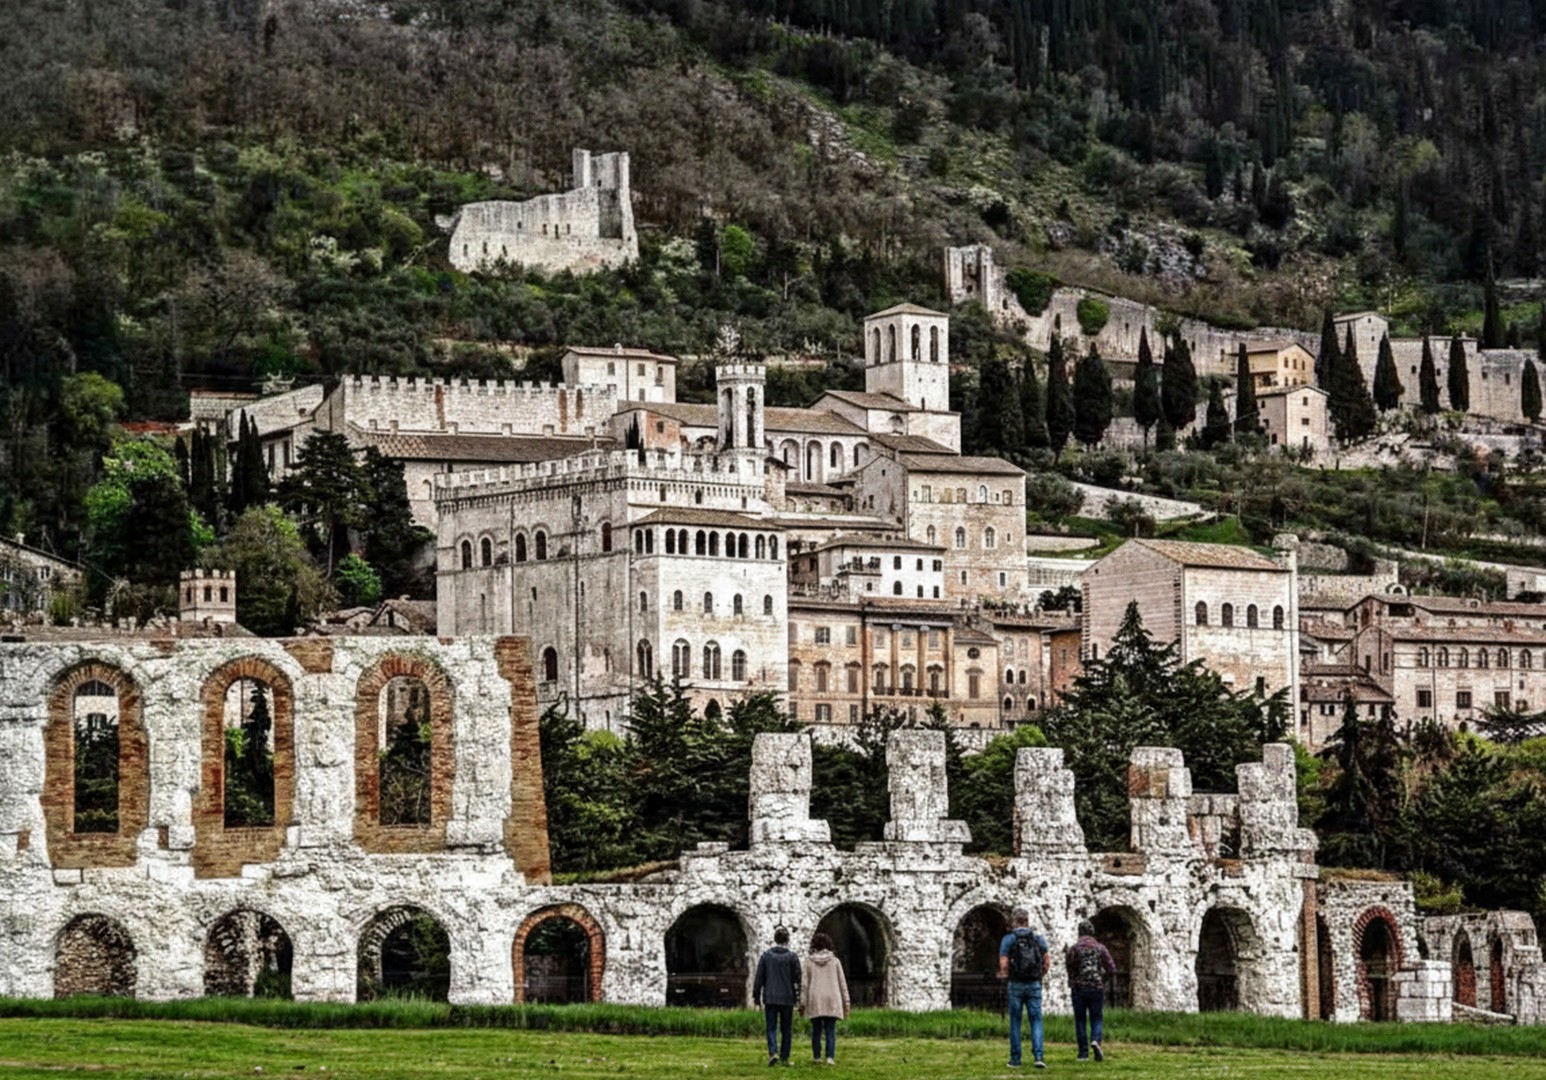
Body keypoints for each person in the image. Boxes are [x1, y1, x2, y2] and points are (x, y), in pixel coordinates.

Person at [997, 906, 1050, 1069]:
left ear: (1014, 921)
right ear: (1027, 921)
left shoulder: (1008, 939)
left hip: (1015, 984)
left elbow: (1003, 963)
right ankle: (1038, 1057)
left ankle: (1015, 1059)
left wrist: (1004, 974)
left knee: (1015, 1021)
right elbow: (1047, 962)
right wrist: (1039, 976)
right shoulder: (1038, 939)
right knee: (1036, 1020)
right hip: (1034, 984)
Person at [1065, 919, 1117, 1062]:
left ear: (1079, 933)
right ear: (1092, 932)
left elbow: (1069, 967)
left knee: (1080, 1020)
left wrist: (1073, 981)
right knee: (1096, 1017)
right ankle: (1096, 1040)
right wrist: (1102, 980)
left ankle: (1083, 1054)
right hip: (1096, 988)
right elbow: (1111, 968)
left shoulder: (1074, 949)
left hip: (1078, 989)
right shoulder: (1100, 948)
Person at [753, 926, 801, 1066]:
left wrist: (756, 997)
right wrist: (798, 997)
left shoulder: (766, 956)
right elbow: (798, 978)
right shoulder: (792, 957)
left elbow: (759, 977)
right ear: (787, 940)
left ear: (775, 939)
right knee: (786, 1029)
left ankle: (773, 1052)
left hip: (771, 996)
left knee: (771, 1027)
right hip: (787, 997)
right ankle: (785, 1056)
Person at [800, 931, 850, 1066]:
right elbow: (842, 982)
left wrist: (802, 1003)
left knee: (816, 1030)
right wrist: (846, 1001)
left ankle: (816, 1057)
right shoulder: (835, 961)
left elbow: (804, 985)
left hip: (815, 998)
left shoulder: (808, 962)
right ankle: (830, 1057)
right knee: (830, 1030)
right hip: (832, 998)